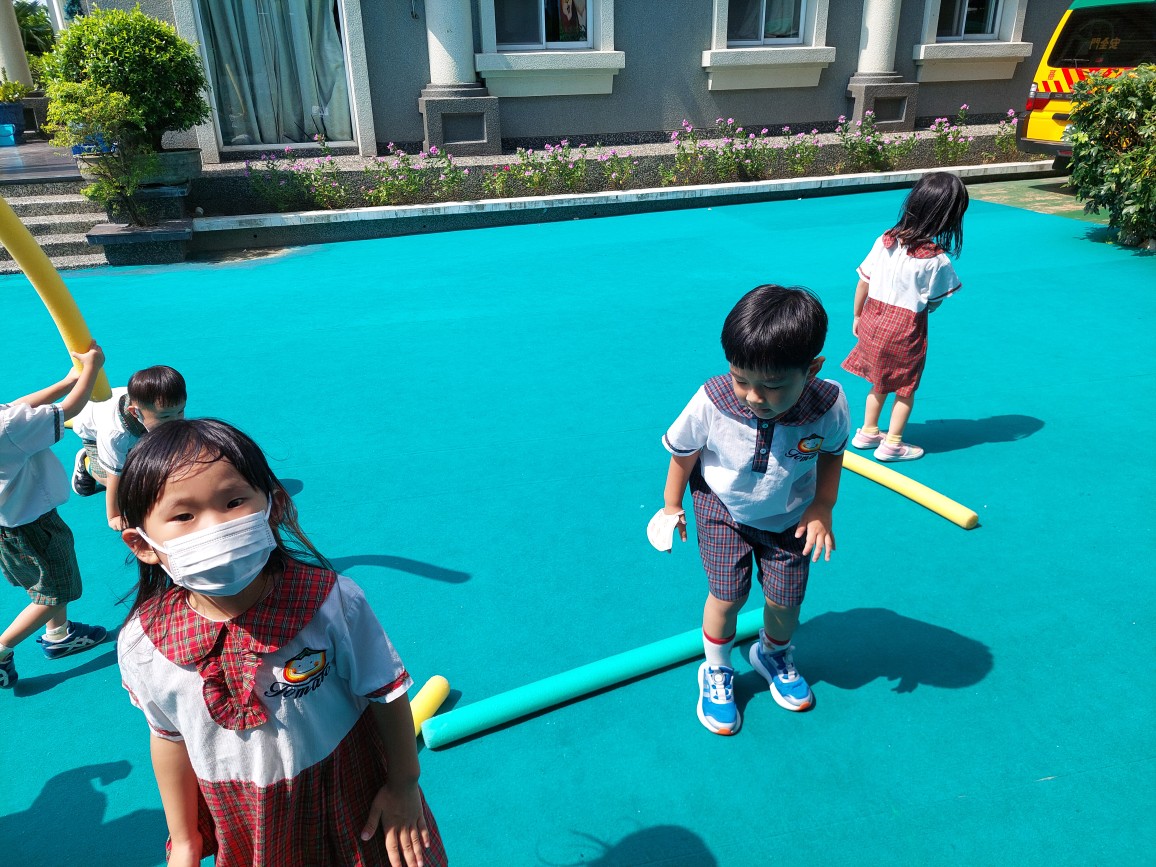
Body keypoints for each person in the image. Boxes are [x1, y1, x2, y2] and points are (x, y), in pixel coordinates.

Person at [116, 418, 446, 867]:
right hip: (251, 822)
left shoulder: (331, 602)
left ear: (273, 507)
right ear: (142, 544)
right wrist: (186, 838)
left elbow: (385, 691)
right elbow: (168, 735)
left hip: (350, 799)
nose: (214, 527)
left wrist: (404, 783)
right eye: (183, 516)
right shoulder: (143, 645)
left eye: (233, 501)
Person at [654, 285, 848, 735]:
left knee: (785, 601)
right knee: (728, 596)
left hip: (790, 516)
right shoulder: (713, 399)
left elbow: (833, 452)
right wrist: (670, 505)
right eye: (741, 379)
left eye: (773, 386)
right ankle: (717, 667)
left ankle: (772, 653)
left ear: (812, 370)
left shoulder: (829, 404)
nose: (754, 396)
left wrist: (823, 505)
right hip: (723, 509)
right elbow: (684, 452)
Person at [1, 343, 110, 690]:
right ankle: (2, 648)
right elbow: (69, 410)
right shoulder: (8, 430)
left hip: (9, 525)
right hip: (35, 526)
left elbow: (16, 407)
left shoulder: (7, 423)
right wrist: (92, 368)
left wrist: (67, 381)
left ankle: (59, 635)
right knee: (57, 591)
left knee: (45, 583)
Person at [841, 171, 969, 461]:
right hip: (905, 328)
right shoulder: (936, 260)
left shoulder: (885, 240)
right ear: (948, 216)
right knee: (905, 387)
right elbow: (935, 301)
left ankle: (868, 432)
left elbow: (863, 282)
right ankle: (893, 444)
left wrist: (857, 316)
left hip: (873, 318)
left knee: (879, 380)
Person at [70, 365, 186, 530]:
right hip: (93, 434)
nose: (176, 421)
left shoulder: (160, 409)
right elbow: (114, 479)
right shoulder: (114, 435)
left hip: (137, 429)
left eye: (181, 411)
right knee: (126, 483)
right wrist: (114, 516)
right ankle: (86, 462)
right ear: (135, 412)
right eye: (166, 416)